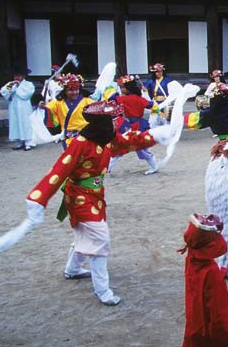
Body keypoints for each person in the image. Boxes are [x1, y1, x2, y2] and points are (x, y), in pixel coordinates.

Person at [26, 100, 161, 305]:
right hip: (80, 196)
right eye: (114, 120)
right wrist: (39, 199)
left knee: (85, 233)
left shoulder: (106, 138)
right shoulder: (80, 143)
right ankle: (102, 289)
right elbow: (58, 171)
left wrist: (158, 135)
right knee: (100, 238)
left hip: (96, 195)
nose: (118, 123)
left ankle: (72, 269)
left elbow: (127, 143)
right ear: (103, 123)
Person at [179, 213, 228, 347]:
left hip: (195, 316)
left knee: (196, 338)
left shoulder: (192, 257)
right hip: (212, 321)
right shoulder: (211, 271)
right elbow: (220, 309)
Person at [107, 75, 160, 174]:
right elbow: (151, 105)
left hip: (129, 126)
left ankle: (108, 168)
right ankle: (154, 165)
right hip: (136, 125)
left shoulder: (122, 99)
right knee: (141, 148)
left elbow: (111, 99)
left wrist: (115, 93)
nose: (121, 89)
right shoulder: (139, 99)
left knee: (121, 147)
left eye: (123, 87)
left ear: (128, 88)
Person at [39, 74, 95, 149]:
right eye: (71, 90)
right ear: (65, 91)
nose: (75, 92)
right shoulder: (58, 102)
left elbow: (97, 114)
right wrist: (44, 106)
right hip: (68, 137)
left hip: (85, 136)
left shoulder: (87, 101)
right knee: (69, 159)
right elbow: (49, 107)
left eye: (76, 90)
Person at [0, 70, 36, 151]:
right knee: (15, 123)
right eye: (16, 76)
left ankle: (28, 143)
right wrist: (10, 87)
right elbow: (4, 92)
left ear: (23, 76)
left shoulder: (28, 84)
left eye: (19, 76)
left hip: (24, 107)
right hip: (14, 107)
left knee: (26, 123)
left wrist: (19, 87)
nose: (17, 78)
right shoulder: (11, 84)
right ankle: (19, 142)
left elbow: (27, 94)